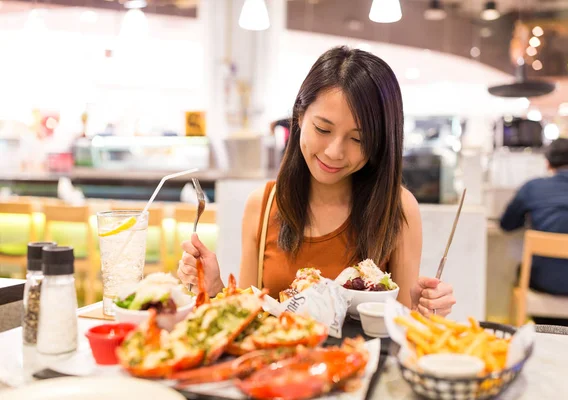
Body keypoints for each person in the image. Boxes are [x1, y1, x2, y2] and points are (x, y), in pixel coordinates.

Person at [178, 46, 456, 317]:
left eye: (358, 139)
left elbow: (403, 325)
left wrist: (426, 311)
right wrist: (213, 289)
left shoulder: (397, 208)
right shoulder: (262, 205)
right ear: (300, 116)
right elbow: (247, 316)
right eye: (323, 129)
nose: (334, 151)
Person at [500, 138, 568, 327]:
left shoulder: (533, 187)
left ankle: (545, 333)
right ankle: (561, 331)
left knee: (528, 271)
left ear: (547, 162)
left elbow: (507, 225)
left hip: (544, 282)